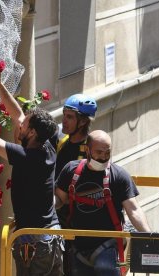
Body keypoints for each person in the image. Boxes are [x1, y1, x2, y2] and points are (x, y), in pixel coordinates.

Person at [0, 64, 64, 275]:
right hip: (52, 235)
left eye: (24, 126)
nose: (20, 125)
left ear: (31, 132)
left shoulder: (27, 157)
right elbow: (17, 114)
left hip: (34, 241)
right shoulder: (47, 145)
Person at [55, 130, 151, 276]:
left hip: (108, 244)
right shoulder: (71, 171)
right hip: (79, 246)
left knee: (104, 267)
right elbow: (60, 199)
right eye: (99, 152)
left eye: (107, 152)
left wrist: (150, 237)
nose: (103, 157)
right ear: (87, 150)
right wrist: (41, 212)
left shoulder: (118, 176)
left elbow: (133, 209)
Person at [54, 93, 97, 275]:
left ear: (82, 122)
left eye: (69, 117)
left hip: (80, 221)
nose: (64, 120)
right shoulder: (63, 142)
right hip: (60, 215)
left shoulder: (91, 149)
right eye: (64, 115)